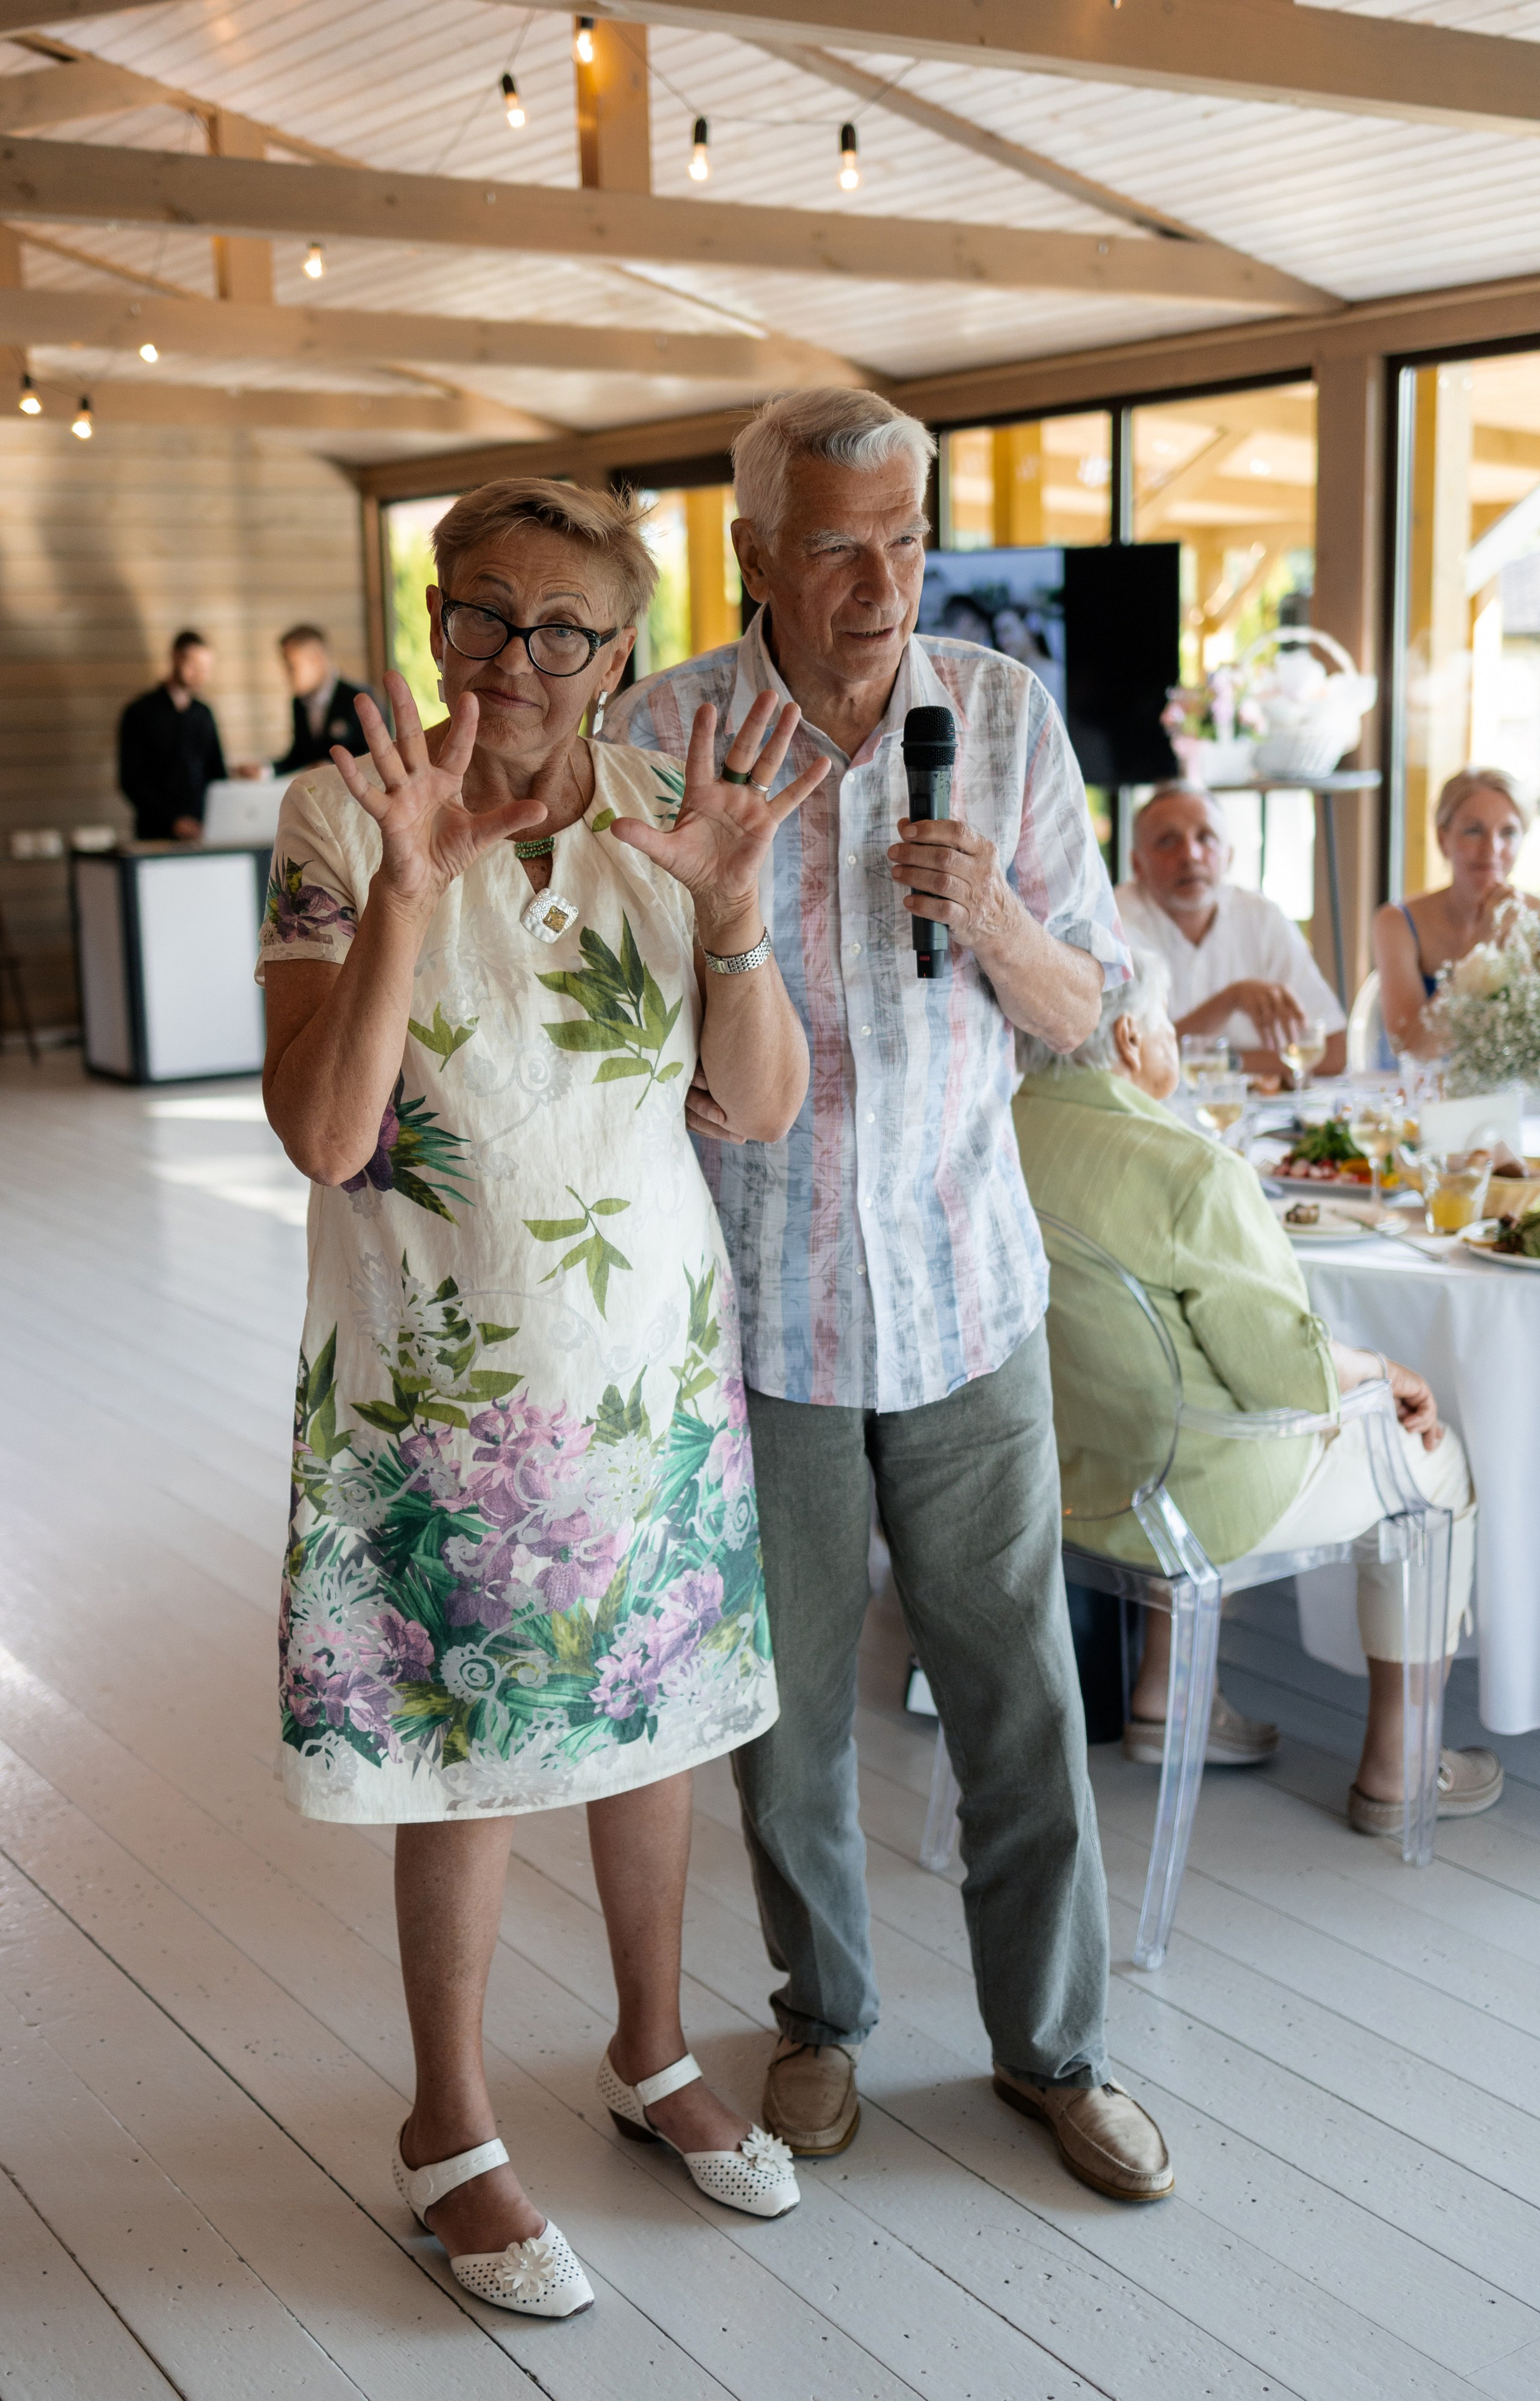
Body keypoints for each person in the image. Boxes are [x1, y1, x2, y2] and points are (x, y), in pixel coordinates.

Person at [259, 478, 832, 2318]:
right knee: (467, 1748)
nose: (519, 656)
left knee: (651, 1714)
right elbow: (330, 1134)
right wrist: (409, 903)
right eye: (484, 614)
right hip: (443, 1370)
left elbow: (756, 1102)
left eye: (565, 627)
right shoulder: (337, 819)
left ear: (619, 657)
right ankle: (448, 2126)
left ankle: (653, 2052)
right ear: (432, 623)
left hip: (642, 1358)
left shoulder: (679, 814)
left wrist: (737, 914)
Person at [605, 387, 1175, 2205]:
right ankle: (823, 2016)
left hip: (961, 1294)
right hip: (758, 1314)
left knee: (1016, 1695)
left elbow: (1086, 1008)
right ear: (750, 551)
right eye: (839, 545)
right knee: (786, 1717)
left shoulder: (997, 722)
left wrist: (997, 922)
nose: (882, 582)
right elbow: (618, 1027)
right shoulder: (664, 733)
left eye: (908, 541)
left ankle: (1054, 2049)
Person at [1013, 950, 1499, 1830]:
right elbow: (1291, 1381)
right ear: (1130, 1035)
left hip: (1055, 1482)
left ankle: (1167, 1696)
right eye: (1164, 1025)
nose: (1168, 1039)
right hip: (1191, 1501)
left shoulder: (1000, 1130)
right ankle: (1403, 1766)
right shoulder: (1192, 1171)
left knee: (1177, 1401)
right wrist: (1385, 1372)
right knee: (1436, 1458)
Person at [1115, 780, 1346, 1079]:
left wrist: (1225, 1061)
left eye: (1206, 838)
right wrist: (1230, 1001)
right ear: (1137, 864)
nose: (1191, 855)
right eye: (1168, 841)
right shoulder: (1116, 924)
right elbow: (1128, 1060)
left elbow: (1333, 1050)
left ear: (1229, 857)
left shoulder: (1261, 917)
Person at [1372, 767, 1531, 1058]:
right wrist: (1484, 945)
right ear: (1443, 839)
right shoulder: (1397, 923)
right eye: (1474, 831)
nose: (1491, 849)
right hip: (1423, 1097)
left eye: (1508, 833)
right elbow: (1413, 1052)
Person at [117, 629, 228, 841]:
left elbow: (217, 773)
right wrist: (173, 821)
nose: (200, 674)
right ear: (176, 658)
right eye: (194, 666)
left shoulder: (204, 714)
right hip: (155, 832)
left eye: (205, 668)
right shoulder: (140, 712)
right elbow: (130, 779)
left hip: (202, 831)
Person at [274, 623, 380, 773]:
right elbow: (298, 756)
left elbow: (375, 756)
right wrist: (266, 770)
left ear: (316, 660)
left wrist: (334, 768)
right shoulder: (298, 703)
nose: (286, 674)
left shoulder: (360, 698)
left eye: (291, 667)